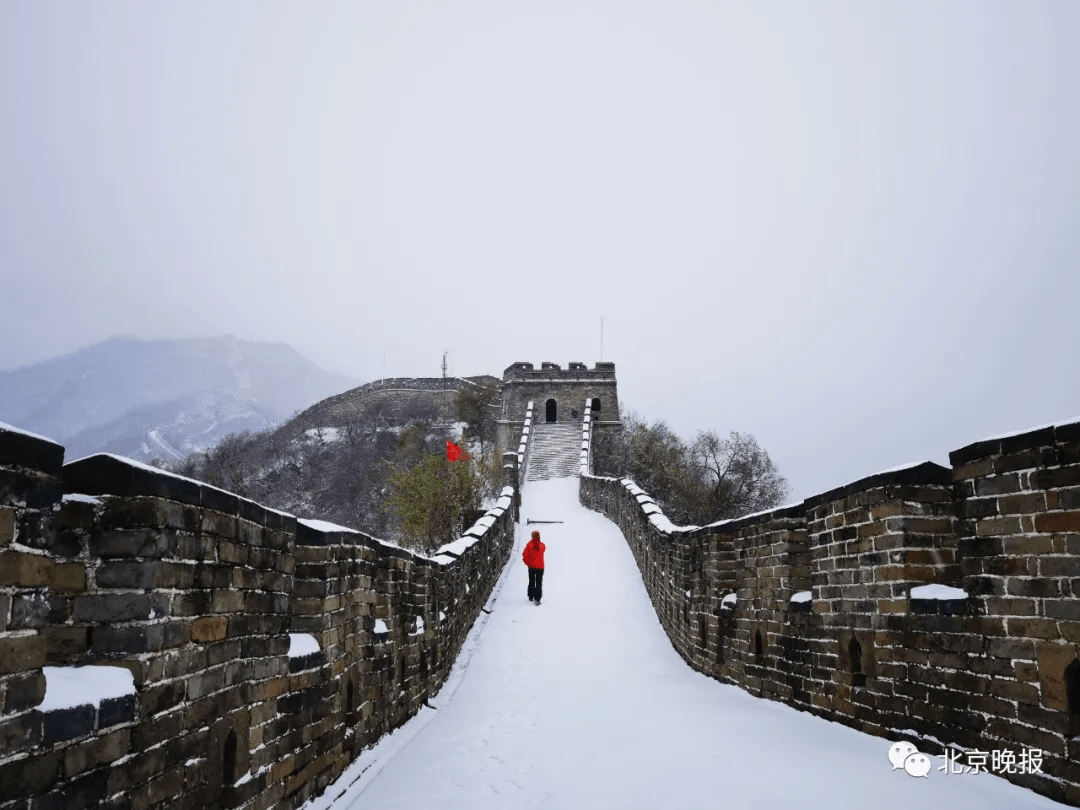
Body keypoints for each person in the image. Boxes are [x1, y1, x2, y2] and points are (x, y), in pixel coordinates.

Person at [523, 529, 546, 605]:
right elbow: (543, 550)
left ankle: (531, 596)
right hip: (540, 567)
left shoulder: (529, 545)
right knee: (539, 583)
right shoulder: (542, 545)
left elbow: (524, 555)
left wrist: (528, 563)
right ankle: (537, 599)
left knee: (531, 581)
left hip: (532, 567)